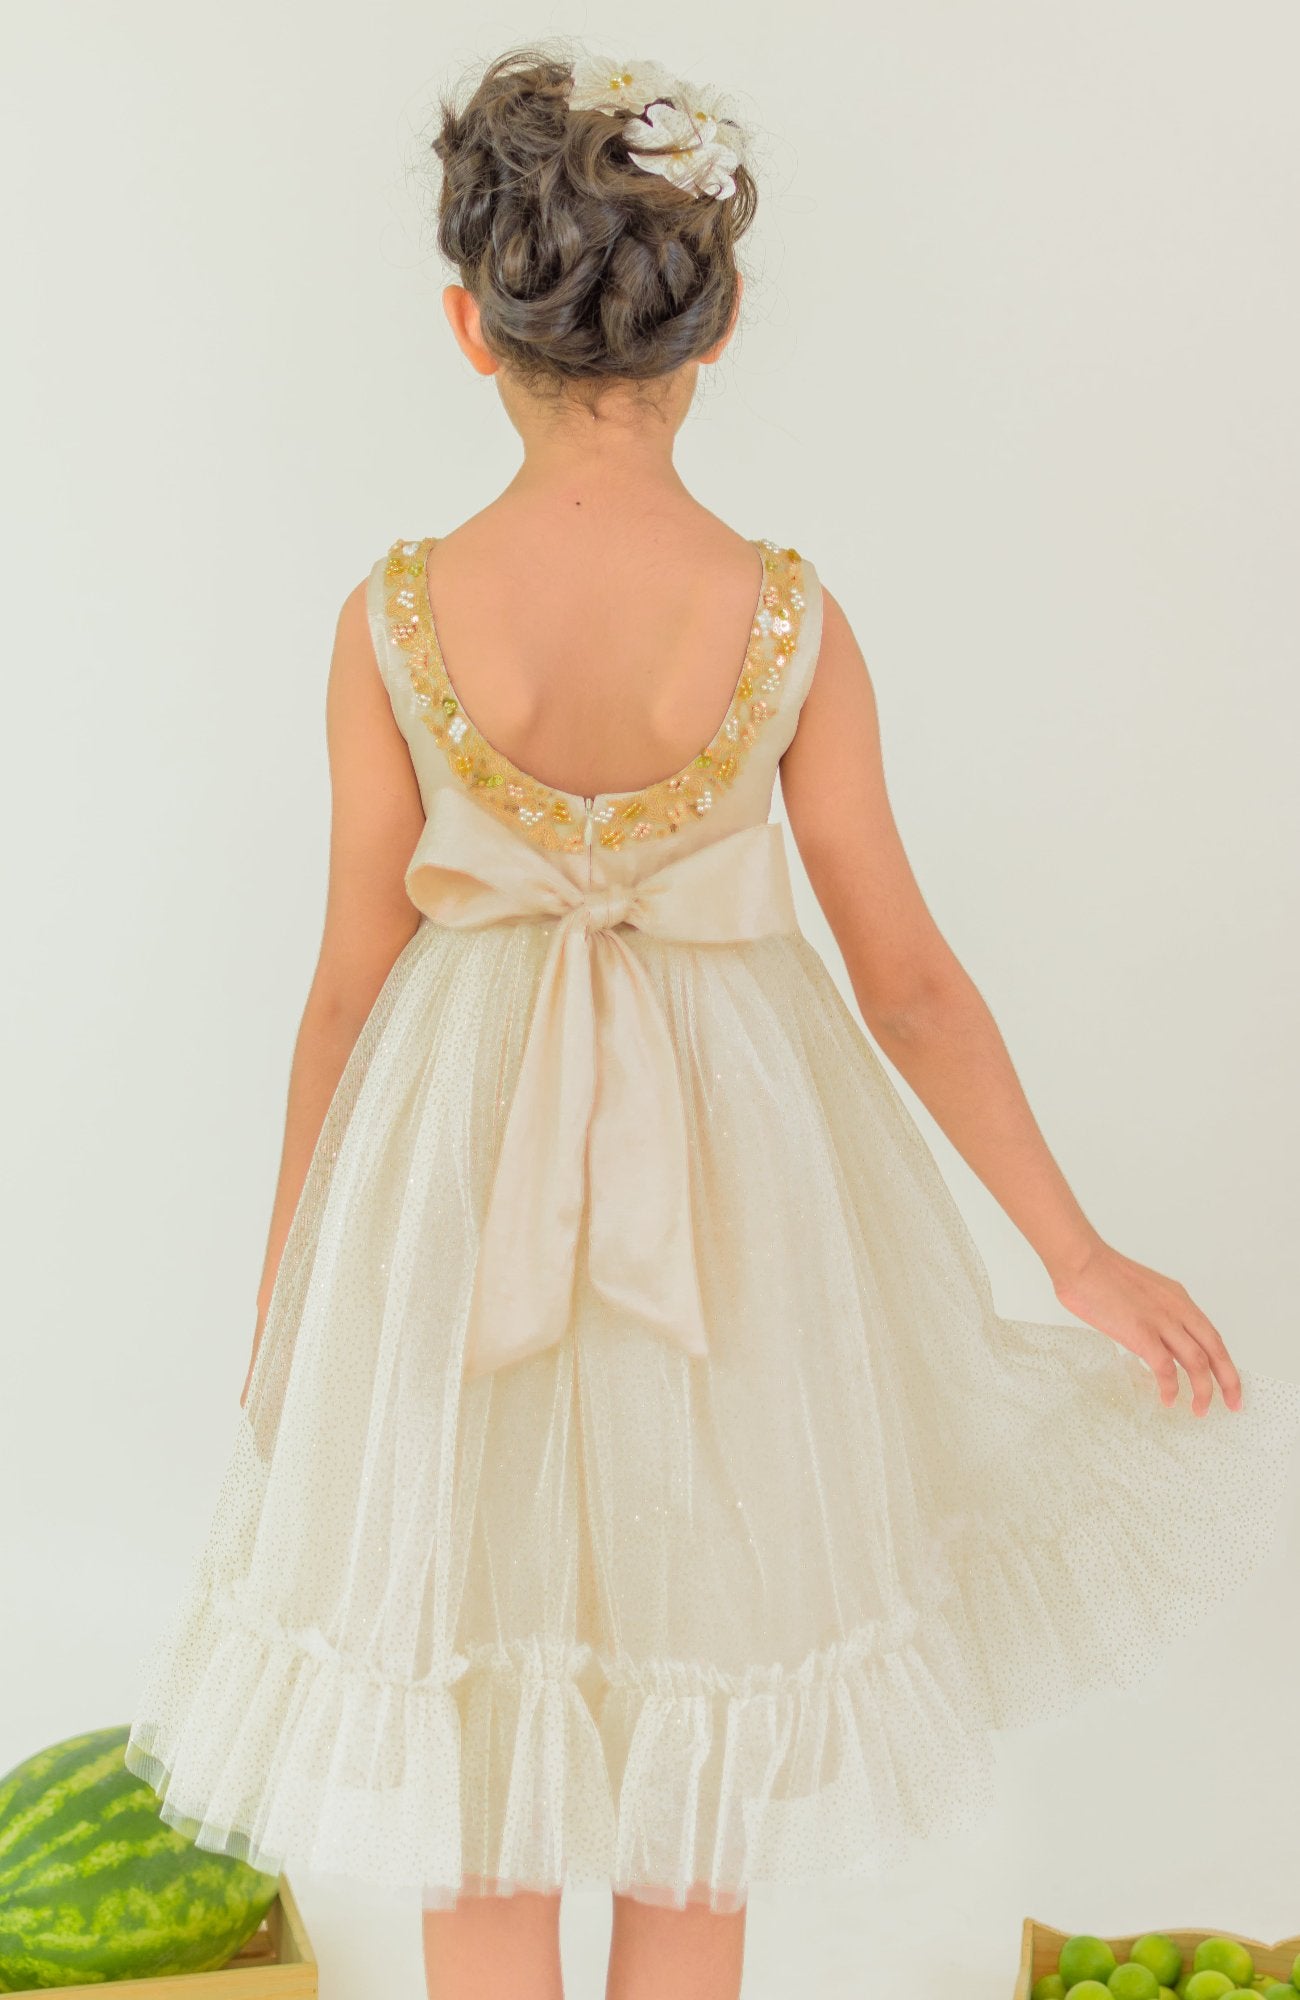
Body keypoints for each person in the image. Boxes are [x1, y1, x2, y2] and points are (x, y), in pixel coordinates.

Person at [123, 40, 1300, 2000]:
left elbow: (345, 984)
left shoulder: (392, 616)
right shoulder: (782, 616)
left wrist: (295, 1298)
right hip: (737, 1184)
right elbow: (906, 980)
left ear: (466, 325)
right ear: (716, 325)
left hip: (454, 1172)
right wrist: (1070, 1249)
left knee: (472, 1726)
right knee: (709, 1689)